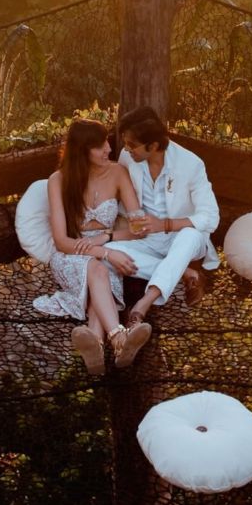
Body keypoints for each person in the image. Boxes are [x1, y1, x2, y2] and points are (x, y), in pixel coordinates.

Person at [32, 118, 152, 374]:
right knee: (98, 271)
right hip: (71, 254)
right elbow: (62, 241)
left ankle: (95, 341)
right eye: (99, 146)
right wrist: (106, 252)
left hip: (106, 250)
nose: (108, 149)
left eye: (107, 141)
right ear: (82, 151)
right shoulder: (58, 181)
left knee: (101, 275)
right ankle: (119, 338)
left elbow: (139, 229)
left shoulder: (118, 173)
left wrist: (106, 239)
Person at [105, 106, 220, 327]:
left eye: (132, 145)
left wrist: (165, 224)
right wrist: (132, 221)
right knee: (105, 253)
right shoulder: (128, 158)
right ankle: (185, 273)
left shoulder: (191, 164)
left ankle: (142, 306)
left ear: (154, 145)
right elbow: (121, 197)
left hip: (182, 238)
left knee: (191, 235)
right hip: (145, 239)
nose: (126, 150)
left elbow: (210, 216)